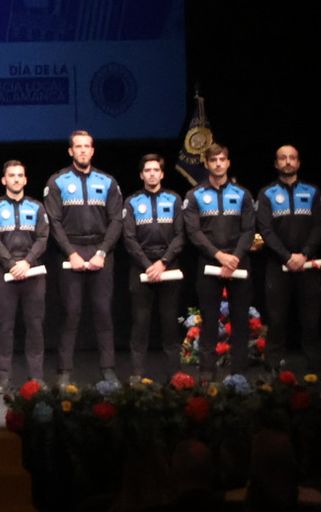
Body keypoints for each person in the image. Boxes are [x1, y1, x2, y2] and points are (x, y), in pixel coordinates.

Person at [43, 129, 125, 385]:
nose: (82, 150)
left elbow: (116, 220)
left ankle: (108, 368)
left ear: (92, 150)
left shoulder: (108, 181)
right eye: (77, 146)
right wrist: (71, 253)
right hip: (71, 252)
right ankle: (64, 371)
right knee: (71, 312)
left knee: (103, 312)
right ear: (70, 151)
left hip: (101, 252)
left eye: (86, 146)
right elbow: (53, 223)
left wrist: (102, 252)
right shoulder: (57, 182)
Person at [180, 144, 256, 380]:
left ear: (228, 162)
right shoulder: (194, 196)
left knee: (240, 320)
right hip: (209, 263)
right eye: (214, 160)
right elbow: (194, 233)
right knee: (210, 320)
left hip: (239, 262)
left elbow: (249, 229)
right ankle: (206, 372)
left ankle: (239, 372)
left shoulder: (242, 194)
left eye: (222, 159)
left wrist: (234, 257)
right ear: (207, 164)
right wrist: (219, 256)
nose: (218, 164)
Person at [257, 145, 321, 372]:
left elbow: (319, 226)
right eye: (283, 158)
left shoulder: (313, 192)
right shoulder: (266, 194)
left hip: (308, 264)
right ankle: (272, 366)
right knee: (276, 320)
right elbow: (265, 231)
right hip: (278, 266)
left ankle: (315, 367)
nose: (288, 162)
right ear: (276, 164)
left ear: (298, 162)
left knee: (311, 320)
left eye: (292, 158)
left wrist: (304, 253)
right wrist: (287, 257)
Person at [0, 160, 49, 394]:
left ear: (25, 180)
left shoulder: (37, 207)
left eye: (19, 175)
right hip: (3, 273)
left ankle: (36, 377)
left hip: (32, 271)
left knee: (35, 326)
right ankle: (3, 378)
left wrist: (27, 262)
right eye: (11, 175)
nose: (15, 179)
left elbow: (43, 238)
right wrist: (12, 264)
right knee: (5, 327)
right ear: (4, 180)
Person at [121, 154, 186, 381]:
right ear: (141, 175)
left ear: (162, 173)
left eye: (155, 170)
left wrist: (163, 262)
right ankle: (137, 374)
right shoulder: (131, 202)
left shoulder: (175, 199)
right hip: (141, 269)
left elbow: (180, 236)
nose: (151, 174)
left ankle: (175, 374)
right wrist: (149, 265)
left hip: (169, 267)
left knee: (170, 323)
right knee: (140, 324)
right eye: (147, 170)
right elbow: (128, 238)